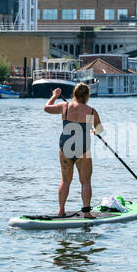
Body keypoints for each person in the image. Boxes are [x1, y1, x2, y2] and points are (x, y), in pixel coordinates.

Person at [44, 83, 103, 219]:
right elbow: (99, 129)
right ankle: (87, 213)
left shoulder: (65, 106)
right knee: (86, 181)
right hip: (82, 148)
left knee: (66, 180)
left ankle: (61, 210)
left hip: (65, 146)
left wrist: (54, 96)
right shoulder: (91, 111)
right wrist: (94, 130)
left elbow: (47, 108)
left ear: (74, 94)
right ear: (87, 96)